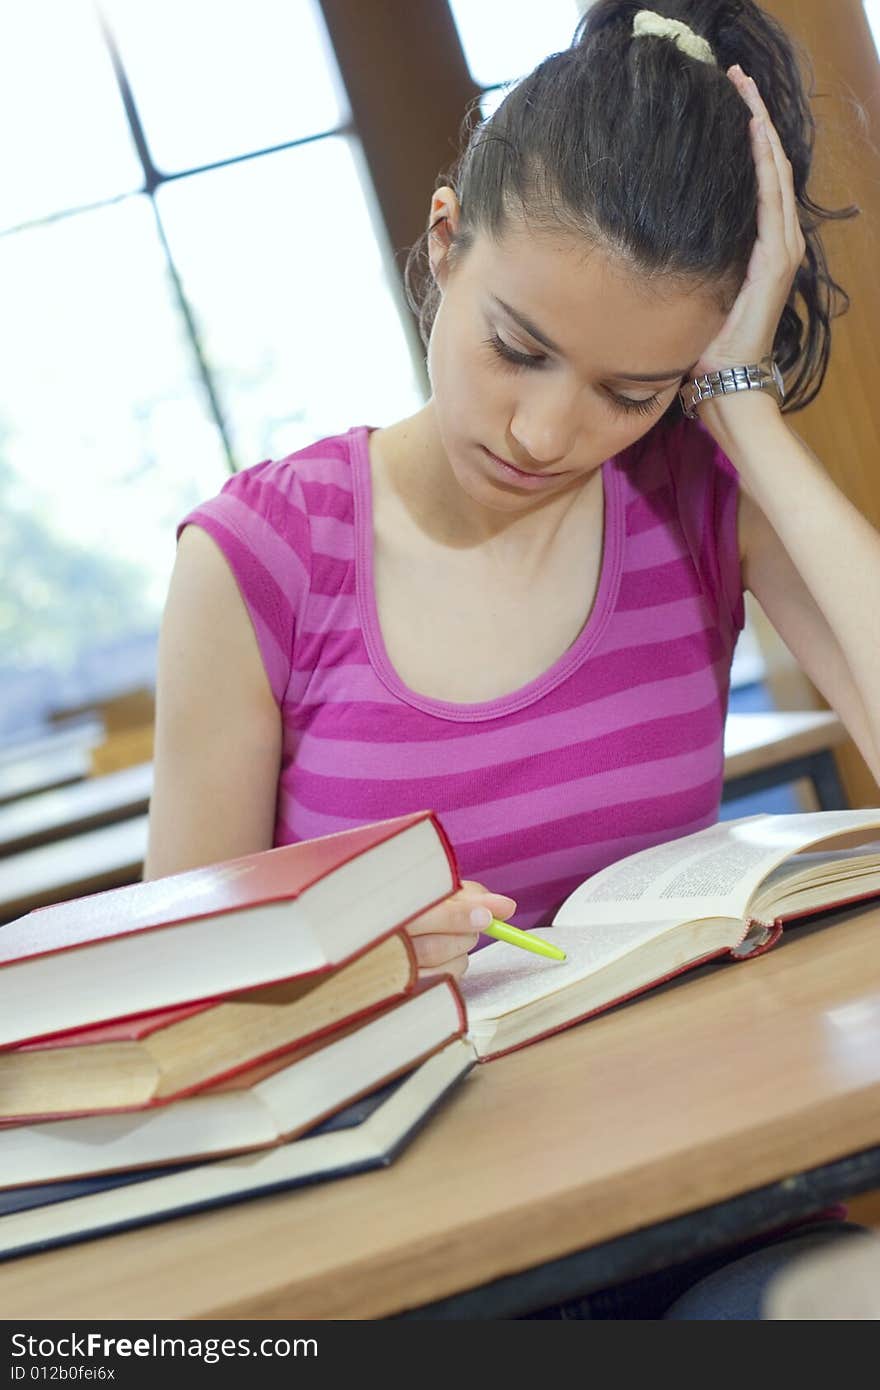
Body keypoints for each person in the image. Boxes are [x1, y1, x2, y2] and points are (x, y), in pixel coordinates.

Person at [144, 2, 880, 1317]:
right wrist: (352, 946)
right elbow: (164, 1020)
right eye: (518, 349)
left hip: (711, 1201)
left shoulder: (695, 497)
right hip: (403, 1248)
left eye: (630, 388)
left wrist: (743, 411)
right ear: (443, 243)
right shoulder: (265, 555)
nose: (547, 431)